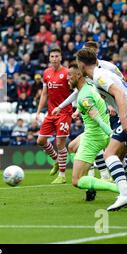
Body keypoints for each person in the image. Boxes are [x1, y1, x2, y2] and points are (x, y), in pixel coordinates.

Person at [76, 47, 127, 211]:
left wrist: (124, 119)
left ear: (81, 65)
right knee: (120, 158)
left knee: (109, 154)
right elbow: (125, 90)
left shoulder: (99, 76)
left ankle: (124, 195)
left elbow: (120, 94)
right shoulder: (100, 75)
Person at [66, 63, 120, 202]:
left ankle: (118, 188)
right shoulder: (91, 86)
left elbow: (98, 120)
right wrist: (79, 111)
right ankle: (89, 184)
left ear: (78, 75)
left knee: (76, 181)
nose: (68, 78)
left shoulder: (83, 96)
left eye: (70, 75)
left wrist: (112, 134)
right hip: (96, 132)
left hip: (94, 136)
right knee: (71, 147)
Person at [35, 47, 73, 184]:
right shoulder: (46, 73)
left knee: (60, 143)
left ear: (61, 58)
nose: (54, 59)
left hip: (64, 112)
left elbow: (76, 90)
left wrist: (77, 109)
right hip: (51, 113)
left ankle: (62, 176)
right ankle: (56, 160)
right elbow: (44, 94)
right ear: (49, 58)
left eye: (57, 56)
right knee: (40, 140)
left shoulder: (67, 72)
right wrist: (39, 112)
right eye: (52, 56)